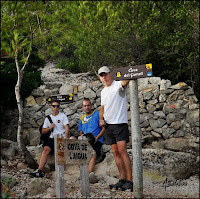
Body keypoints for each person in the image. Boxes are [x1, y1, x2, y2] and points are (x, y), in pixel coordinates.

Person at [98, 66, 133, 191]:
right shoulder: (103, 91)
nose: (104, 77)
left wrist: (129, 70)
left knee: (123, 151)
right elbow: (102, 108)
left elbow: (126, 81)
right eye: (101, 76)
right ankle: (122, 179)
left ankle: (130, 181)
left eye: (105, 74)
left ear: (110, 74)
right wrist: (101, 119)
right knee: (115, 152)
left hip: (119, 123)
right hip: (108, 125)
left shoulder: (117, 85)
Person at [30, 100, 69, 178]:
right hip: (51, 138)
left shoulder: (63, 116)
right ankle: (39, 170)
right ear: (51, 107)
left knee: (60, 152)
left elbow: (67, 127)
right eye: (54, 106)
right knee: (45, 151)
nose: (56, 108)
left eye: (57, 106)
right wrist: (49, 128)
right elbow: (43, 131)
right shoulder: (48, 118)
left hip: (60, 138)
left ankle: (60, 172)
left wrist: (65, 137)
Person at [78, 98, 105, 183]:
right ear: (82, 107)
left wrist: (97, 138)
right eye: (85, 106)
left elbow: (104, 128)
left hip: (96, 140)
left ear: (91, 106)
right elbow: (80, 132)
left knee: (93, 154)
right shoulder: (81, 118)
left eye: (88, 105)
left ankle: (88, 175)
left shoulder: (97, 114)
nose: (87, 107)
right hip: (86, 140)